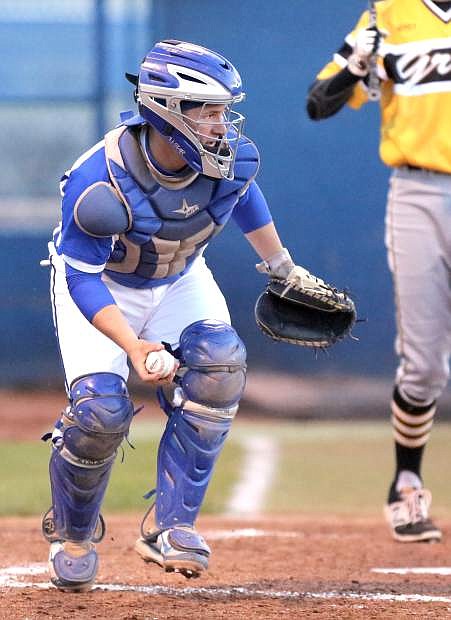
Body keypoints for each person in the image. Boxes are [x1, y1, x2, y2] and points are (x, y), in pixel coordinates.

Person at [41, 40, 348, 592]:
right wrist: (134, 348)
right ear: (164, 109)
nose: (219, 122)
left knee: (220, 363)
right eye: (205, 110)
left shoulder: (228, 157)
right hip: (104, 287)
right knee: (100, 416)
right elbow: (82, 278)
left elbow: (242, 195)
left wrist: (281, 267)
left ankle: (172, 527)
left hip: (179, 276)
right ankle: (73, 533)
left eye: (222, 109)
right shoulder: (99, 182)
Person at [306, 0, 451, 543]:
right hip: (419, 193)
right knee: (423, 367)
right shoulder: (388, 16)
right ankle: (406, 484)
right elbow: (319, 103)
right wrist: (357, 62)